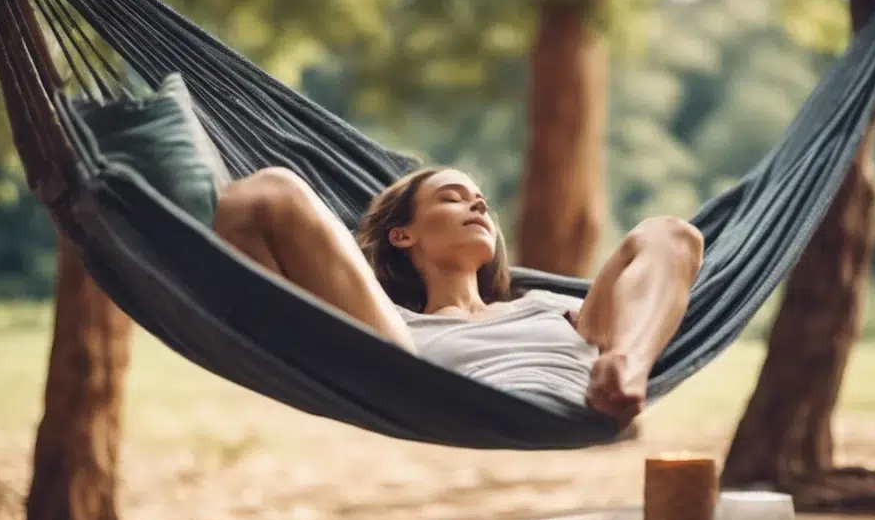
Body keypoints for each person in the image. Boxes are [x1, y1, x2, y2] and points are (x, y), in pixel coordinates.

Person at [212, 165, 704, 430]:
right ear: (402, 236)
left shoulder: (555, 308)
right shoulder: (391, 327)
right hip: (417, 388)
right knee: (268, 191)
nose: (477, 204)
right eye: (452, 196)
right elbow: (246, 212)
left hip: (594, 398)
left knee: (672, 232)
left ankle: (628, 373)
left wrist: (623, 358)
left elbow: (671, 248)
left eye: (480, 201)